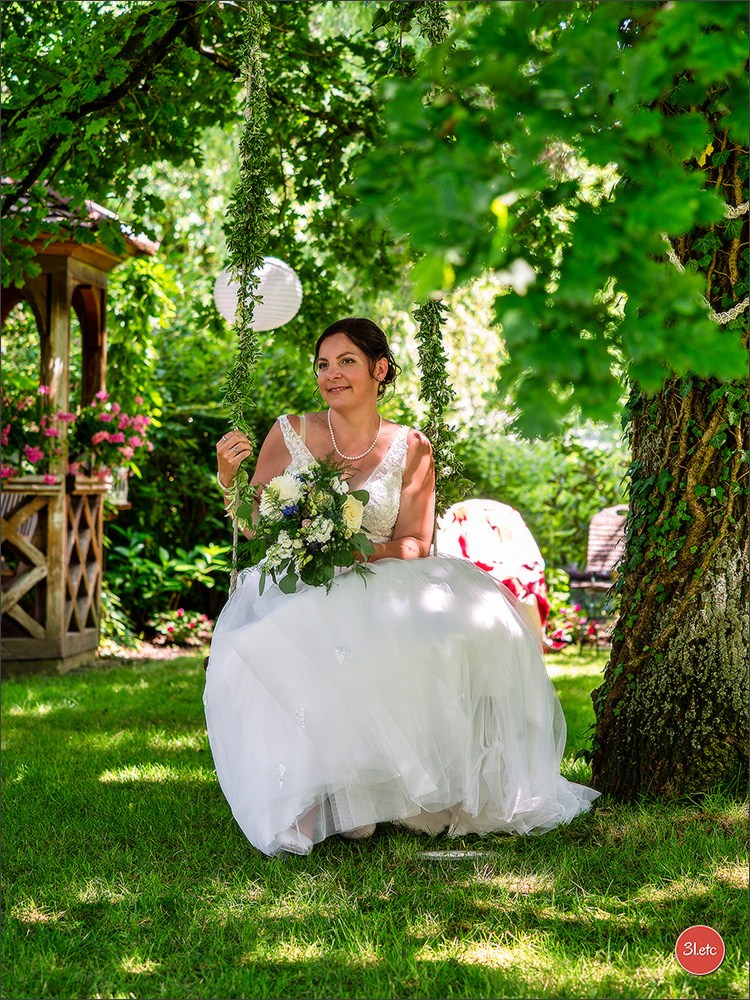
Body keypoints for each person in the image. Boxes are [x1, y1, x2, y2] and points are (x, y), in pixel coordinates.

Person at [204, 317, 599, 857]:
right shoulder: (289, 431)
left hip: (380, 577)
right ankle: (323, 796)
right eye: (323, 364)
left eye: (346, 361)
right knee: (280, 635)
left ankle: (381, 792)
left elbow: (416, 541)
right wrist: (229, 479)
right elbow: (254, 523)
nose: (331, 374)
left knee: (442, 635)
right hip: (302, 579)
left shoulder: (411, 446)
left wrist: (354, 550)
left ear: (380, 369)